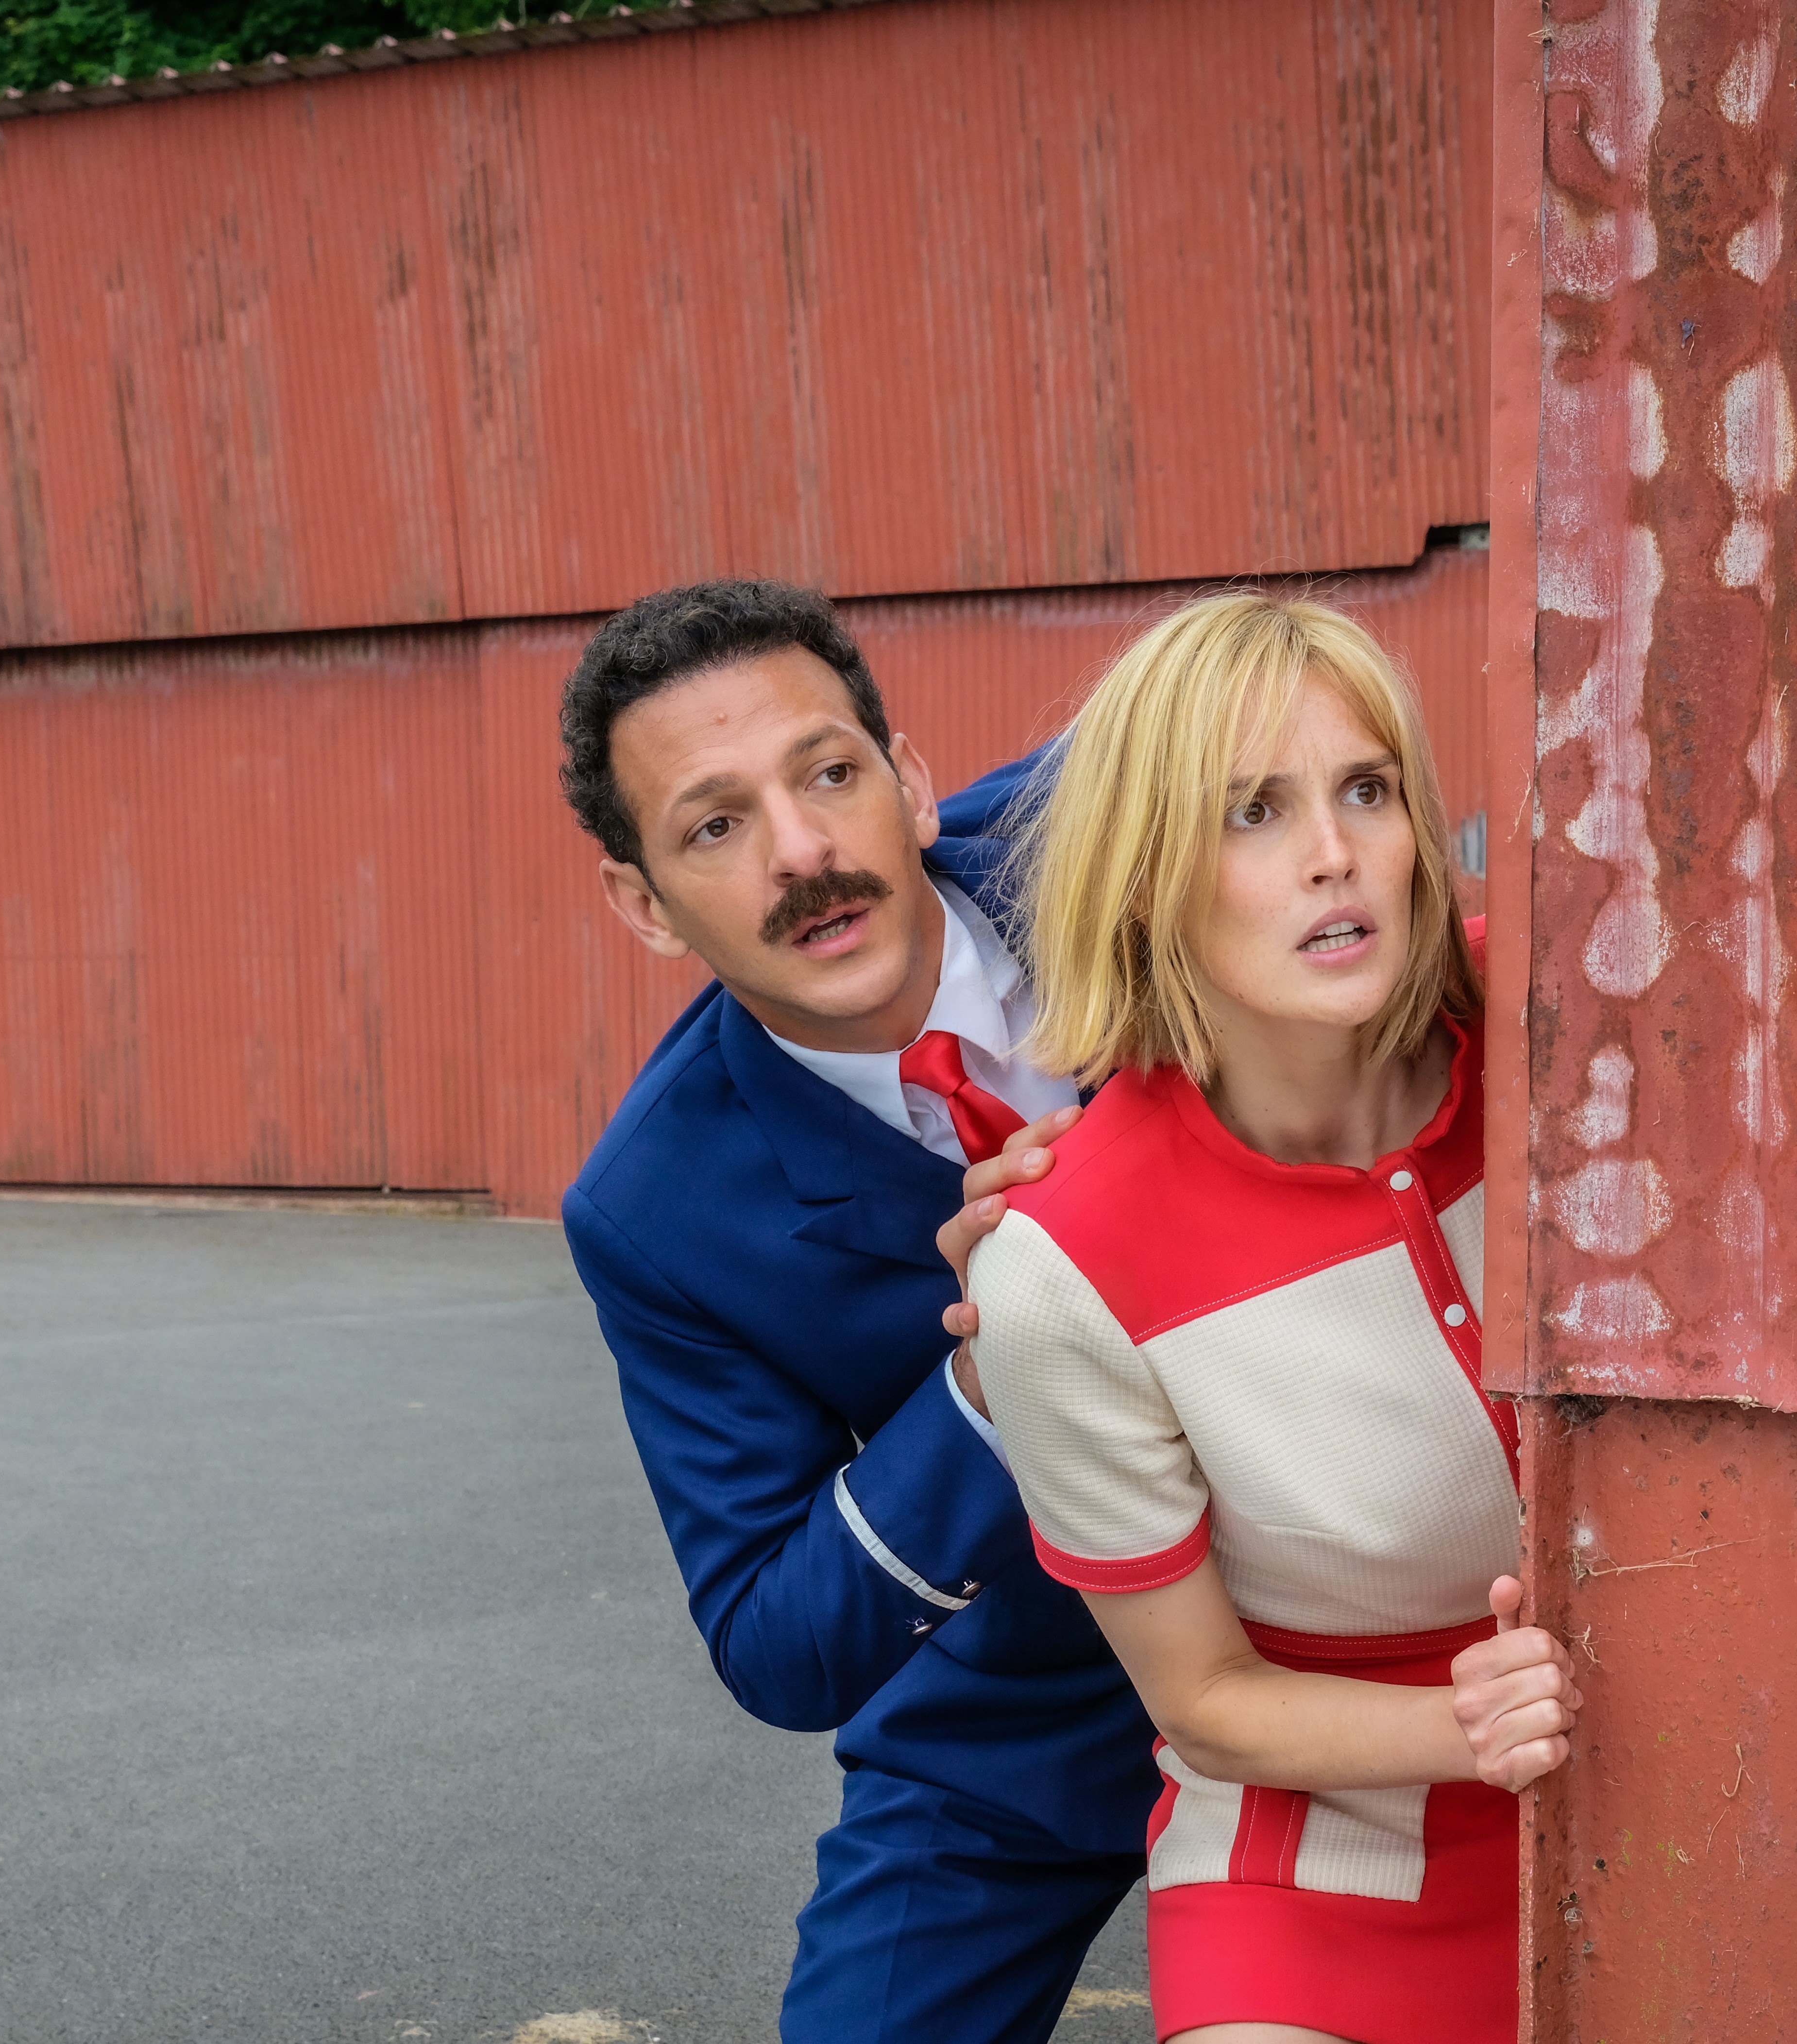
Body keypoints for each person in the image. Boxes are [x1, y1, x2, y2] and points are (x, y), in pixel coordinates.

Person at [958, 592, 1578, 2044]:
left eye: (1367, 789)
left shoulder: (1569, 1022)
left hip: (1686, 1777)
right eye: (1253, 812)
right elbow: (1207, 1700)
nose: (1331, 853)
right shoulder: (1060, 1267)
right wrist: (1471, 1724)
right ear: (1140, 879)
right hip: (1326, 1859)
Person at [555, 579, 1160, 2044]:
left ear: (911, 780)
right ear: (643, 905)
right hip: (1038, 1685)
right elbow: (774, 1637)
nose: (801, 851)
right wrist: (993, 1378)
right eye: (714, 827)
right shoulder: (652, 1205)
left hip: (1375, 1582)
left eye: (828, 774)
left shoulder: (1130, 815)